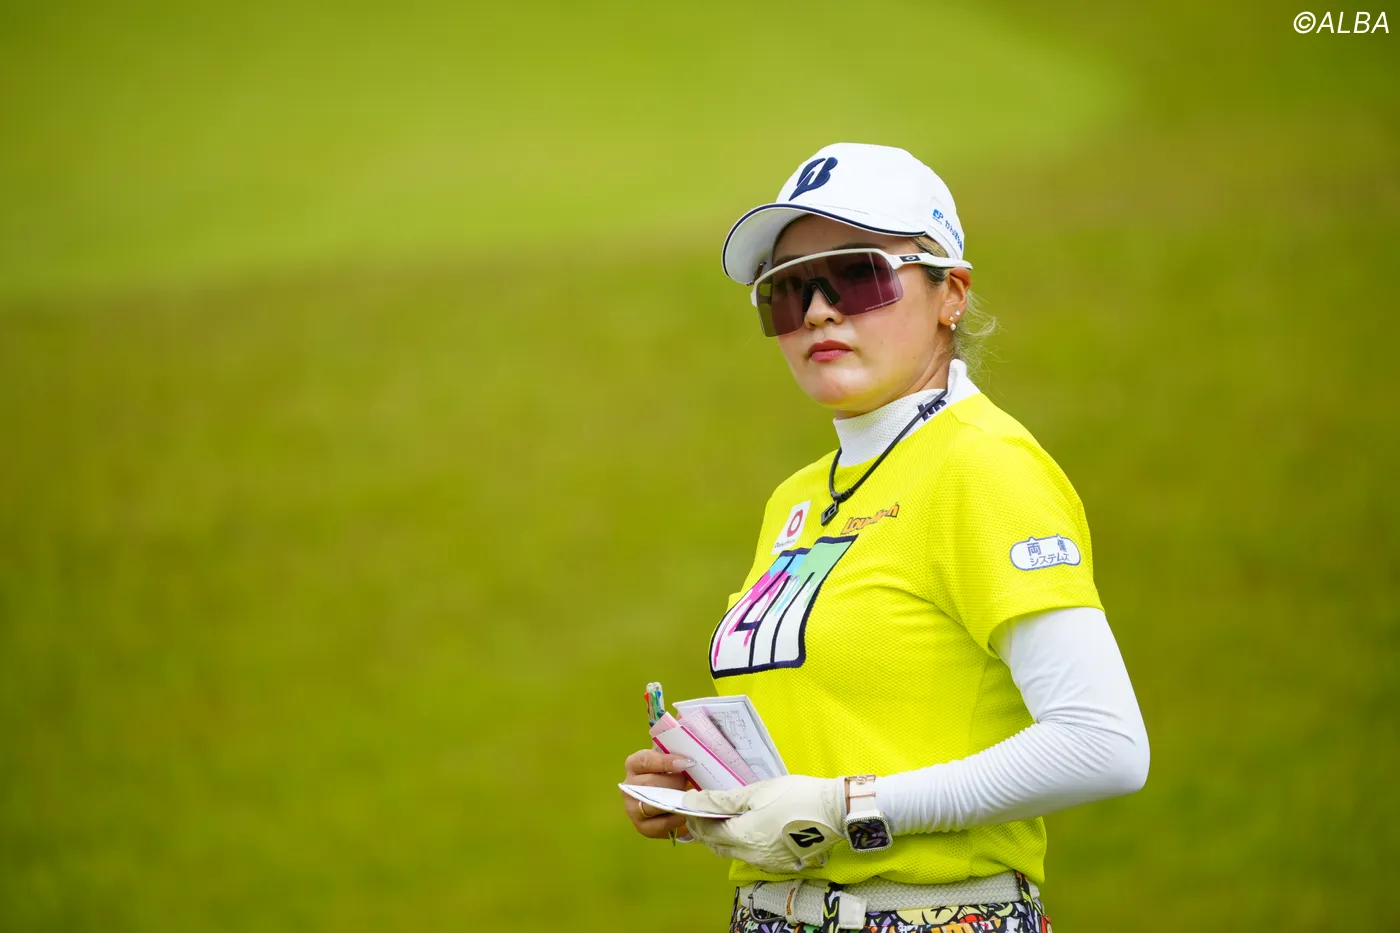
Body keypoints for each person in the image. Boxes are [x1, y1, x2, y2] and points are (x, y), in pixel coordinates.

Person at [621, 142, 1149, 933]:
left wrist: (847, 807)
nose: (818, 311)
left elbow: (1102, 743)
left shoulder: (983, 465)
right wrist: (709, 790)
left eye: (857, 274)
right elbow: (840, 733)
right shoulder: (798, 497)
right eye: (787, 290)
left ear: (950, 293)